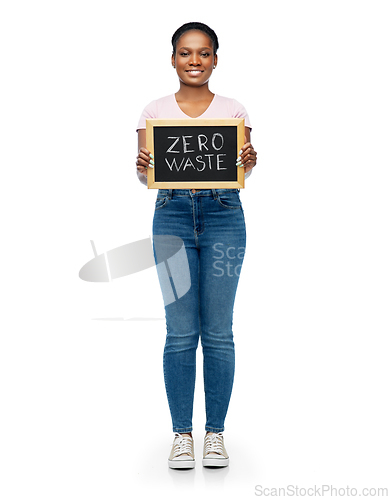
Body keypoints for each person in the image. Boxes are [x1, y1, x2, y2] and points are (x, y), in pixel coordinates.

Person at [136, 22, 257, 469]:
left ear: (215, 59)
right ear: (172, 59)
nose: (194, 61)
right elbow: (147, 177)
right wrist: (143, 165)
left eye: (203, 53)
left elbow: (241, 168)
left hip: (224, 215)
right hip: (171, 219)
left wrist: (250, 160)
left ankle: (215, 434)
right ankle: (182, 434)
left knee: (219, 330)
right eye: (185, 53)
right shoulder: (153, 110)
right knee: (180, 330)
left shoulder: (234, 109)